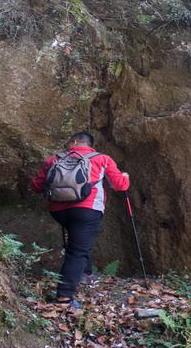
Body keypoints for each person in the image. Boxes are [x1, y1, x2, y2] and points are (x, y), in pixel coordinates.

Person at [30, 131, 130, 307]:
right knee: (77, 251)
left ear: (74, 142)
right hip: (87, 210)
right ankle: (64, 297)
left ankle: (86, 274)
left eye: (68, 142)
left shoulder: (53, 160)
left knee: (79, 244)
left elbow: (36, 186)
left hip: (58, 211)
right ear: (90, 145)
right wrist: (126, 178)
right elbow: (120, 185)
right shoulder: (102, 159)